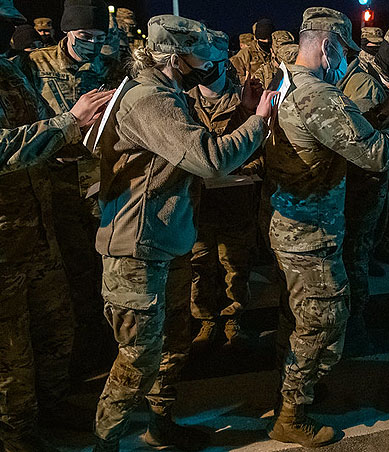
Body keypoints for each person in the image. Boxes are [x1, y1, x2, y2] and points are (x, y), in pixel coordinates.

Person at [91, 14, 276, 452]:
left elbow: (193, 142)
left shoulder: (170, 91)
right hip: (136, 248)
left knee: (173, 342)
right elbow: (209, 158)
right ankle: (106, 442)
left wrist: (246, 111)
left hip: (165, 239)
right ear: (175, 57)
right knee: (136, 359)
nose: (210, 63)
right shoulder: (150, 99)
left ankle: (161, 421)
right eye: (200, 54)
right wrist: (260, 121)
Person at [264, 6, 389, 447]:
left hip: (288, 221)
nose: (345, 61)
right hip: (311, 231)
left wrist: (385, 106)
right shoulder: (318, 93)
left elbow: (333, 135)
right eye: (343, 51)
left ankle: (290, 388)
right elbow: (373, 153)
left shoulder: (285, 81)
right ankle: (292, 413)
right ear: (327, 45)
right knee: (324, 323)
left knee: (293, 315)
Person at [0, 2, 114, 450]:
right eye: (8, 25)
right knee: (11, 350)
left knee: (55, 325)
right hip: (6, 238)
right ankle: (17, 433)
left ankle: (53, 403)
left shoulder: (11, 73)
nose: (14, 33)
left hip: (39, 224)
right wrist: (69, 123)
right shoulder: (25, 67)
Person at [25, 0, 125, 378]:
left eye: (100, 37)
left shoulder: (109, 63)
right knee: (73, 273)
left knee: (105, 270)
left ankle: (110, 343)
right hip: (58, 186)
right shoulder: (33, 67)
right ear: (67, 31)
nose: (91, 45)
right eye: (84, 36)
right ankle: (80, 351)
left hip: (102, 182)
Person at [337, 25, 389, 357]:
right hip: (361, 184)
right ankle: (353, 327)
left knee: (360, 251)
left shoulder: (373, 73)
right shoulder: (364, 79)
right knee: (355, 255)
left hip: (368, 184)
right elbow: (364, 139)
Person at [188, 29, 265, 348]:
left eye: (209, 60)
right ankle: (206, 321)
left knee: (236, 267)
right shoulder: (181, 101)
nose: (203, 67)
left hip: (235, 202)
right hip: (196, 207)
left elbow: (263, 153)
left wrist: (243, 170)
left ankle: (234, 318)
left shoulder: (245, 100)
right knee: (199, 269)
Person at [230, 18, 274, 84]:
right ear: (257, 38)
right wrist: (253, 81)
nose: (267, 41)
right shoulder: (244, 55)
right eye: (263, 38)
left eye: (269, 38)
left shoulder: (275, 50)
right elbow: (236, 78)